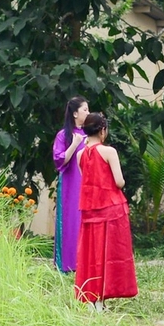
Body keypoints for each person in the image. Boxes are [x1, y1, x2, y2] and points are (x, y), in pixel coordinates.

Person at [75, 114, 137, 303]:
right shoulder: (109, 151)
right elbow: (119, 182)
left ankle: (93, 298)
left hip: (90, 210)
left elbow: (85, 178)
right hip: (112, 209)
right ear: (103, 130)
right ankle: (105, 293)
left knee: (92, 254)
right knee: (111, 255)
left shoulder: (80, 154)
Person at [52, 96, 91, 277]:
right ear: (75, 113)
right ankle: (67, 263)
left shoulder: (91, 135)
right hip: (70, 184)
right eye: (85, 110)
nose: (88, 113)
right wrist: (74, 144)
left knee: (86, 219)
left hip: (88, 183)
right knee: (70, 220)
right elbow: (59, 161)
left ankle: (86, 262)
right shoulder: (64, 136)